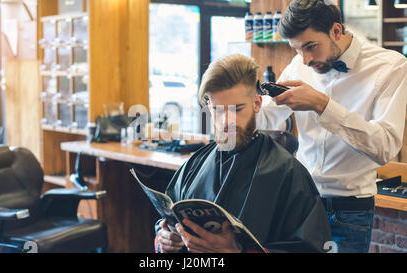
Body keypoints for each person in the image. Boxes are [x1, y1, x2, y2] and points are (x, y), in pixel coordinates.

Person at [256, 0, 407, 253]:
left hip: (349, 212)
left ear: (336, 31)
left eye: (311, 46)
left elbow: (385, 146)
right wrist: (239, 105)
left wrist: (322, 105)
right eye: (296, 49)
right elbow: (270, 117)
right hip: (299, 202)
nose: (304, 59)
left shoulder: (390, 67)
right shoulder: (299, 64)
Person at [154, 54, 332, 253]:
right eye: (218, 110)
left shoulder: (288, 173)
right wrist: (166, 240)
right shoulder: (195, 164)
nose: (226, 121)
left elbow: (312, 249)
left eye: (237, 109)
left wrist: (239, 252)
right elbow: (166, 221)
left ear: (257, 104)